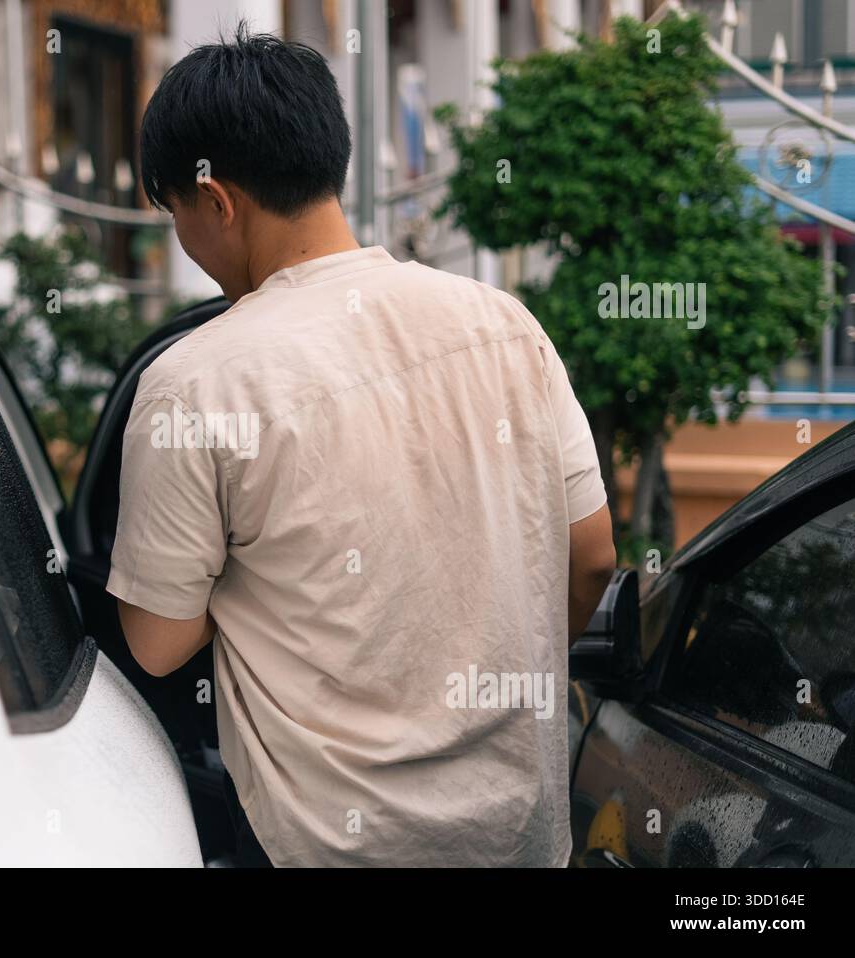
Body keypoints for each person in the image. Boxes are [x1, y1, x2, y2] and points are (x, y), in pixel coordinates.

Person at [106, 24, 616, 867]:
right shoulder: (504, 325)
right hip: (519, 837)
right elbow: (592, 556)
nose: (185, 245)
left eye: (177, 216)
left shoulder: (195, 383)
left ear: (218, 201)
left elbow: (158, 644)